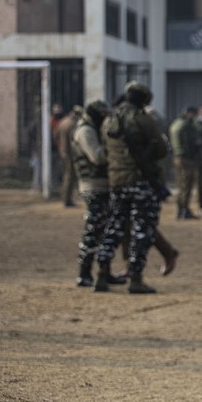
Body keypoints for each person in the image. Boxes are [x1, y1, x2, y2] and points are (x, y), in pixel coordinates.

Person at [96, 82, 169, 294]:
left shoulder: (109, 120)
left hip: (116, 181)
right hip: (140, 181)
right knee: (141, 230)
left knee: (114, 227)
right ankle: (135, 278)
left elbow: (107, 149)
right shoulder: (142, 119)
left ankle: (101, 273)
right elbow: (161, 149)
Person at [70, 99, 117, 287]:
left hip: (102, 185)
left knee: (105, 231)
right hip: (92, 186)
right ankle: (84, 273)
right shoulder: (86, 131)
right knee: (93, 230)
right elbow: (97, 157)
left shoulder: (92, 128)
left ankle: (104, 271)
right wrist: (115, 147)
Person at [168, 105, 201, 220]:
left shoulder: (175, 124)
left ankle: (180, 209)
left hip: (177, 157)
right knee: (187, 185)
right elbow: (190, 142)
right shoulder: (187, 125)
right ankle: (184, 210)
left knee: (181, 185)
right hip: (187, 158)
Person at [55, 105, 83, 206]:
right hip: (70, 153)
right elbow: (75, 140)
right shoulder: (72, 124)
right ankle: (67, 199)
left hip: (63, 152)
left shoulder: (63, 122)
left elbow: (55, 135)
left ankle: (65, 198)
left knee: (67, 175)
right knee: (70, 176)